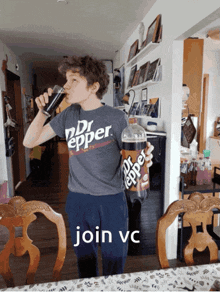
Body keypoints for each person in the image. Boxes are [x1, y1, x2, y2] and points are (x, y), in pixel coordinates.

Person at [23, 55, 154, 278]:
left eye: (74, 80)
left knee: (115, 261)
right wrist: (43, 111)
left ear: (93, 86)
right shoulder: (67, 116)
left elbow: (130, 156)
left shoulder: (116, 117)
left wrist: (144, 159)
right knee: (85, 261)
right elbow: (29, 142)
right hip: (79, 201)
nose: (66, 86)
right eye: (66, 80)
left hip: (112, 200)